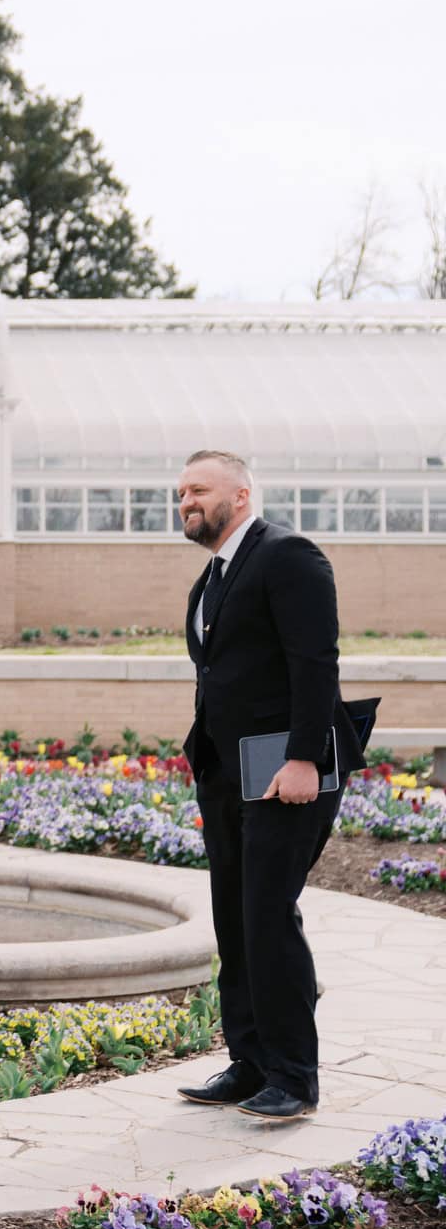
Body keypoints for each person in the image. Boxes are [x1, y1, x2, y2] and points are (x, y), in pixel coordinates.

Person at [171, 449, 362, 1122]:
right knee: (235, 915)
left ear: (242, 495)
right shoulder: (216, 573)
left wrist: (306, 758)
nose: (186, 501)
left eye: (199, 489)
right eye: (181, 493)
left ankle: (294, 1075)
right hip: (228, 775)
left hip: (286, 772)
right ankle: (250, 1062)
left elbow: (315, 663)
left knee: (267, 914)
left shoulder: (288, 556)